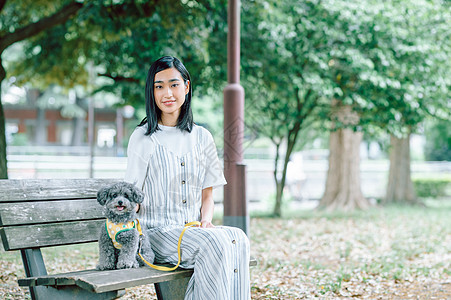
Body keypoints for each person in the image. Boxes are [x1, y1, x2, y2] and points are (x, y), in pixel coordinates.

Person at [124, 56, 250, 299]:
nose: (167, 93)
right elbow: (131, 194)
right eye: (158, 86)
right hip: (156, 233)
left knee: (238, 238)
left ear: (187, 86)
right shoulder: (143, 137)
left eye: (173, 84)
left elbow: (208, 194)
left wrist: (206, 221)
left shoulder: (203, 137)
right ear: (152, 92)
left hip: (191, 230)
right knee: (213, 244)